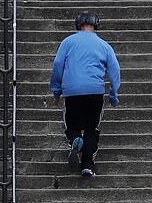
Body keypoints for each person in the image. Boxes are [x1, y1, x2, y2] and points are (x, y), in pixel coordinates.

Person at [49, 11, 121, 177]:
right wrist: (113, 93)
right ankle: (87, 165)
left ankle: (75, 139)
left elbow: (58, 65)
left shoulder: (68, 42)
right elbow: (114, 69)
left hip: (72, 92)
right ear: (96, 24)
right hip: (94, 91)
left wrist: (56, 91)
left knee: (72, 125)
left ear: (78, 24)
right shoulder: (104, 45)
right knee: (92, 128)